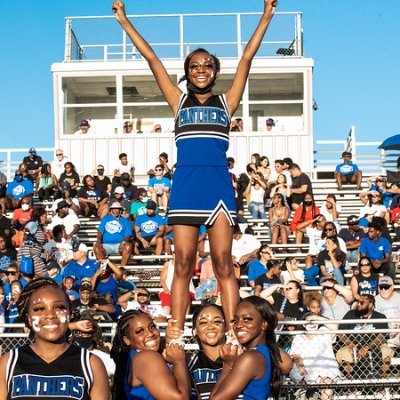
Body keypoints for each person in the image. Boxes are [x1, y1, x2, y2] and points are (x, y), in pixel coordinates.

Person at [112, 0, 278, 344]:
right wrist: (124, 21)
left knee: (223, 263)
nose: (201, 69)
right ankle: (175, 334)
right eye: (194, 65)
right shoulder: (177, 101)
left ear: (215, 71)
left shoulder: (226, 102)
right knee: (183, 262)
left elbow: (246, 57)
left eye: (208, 65)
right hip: (186, 185)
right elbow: (152, 59)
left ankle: (234, 334)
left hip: (217, 185)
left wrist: (265, 16)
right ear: (187, 72)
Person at [0, 277, 109, 400]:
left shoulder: (91, 364)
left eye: (59, 307)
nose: (50, 315)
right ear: (28, 319)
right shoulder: (8, 363)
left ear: (71, 313)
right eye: (39, 309)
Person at [209, 296, 282, 400]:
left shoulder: (251, 358)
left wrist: (228, 365)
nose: (238, 325)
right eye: (235, 320)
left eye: (247, 319)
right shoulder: (263, 352)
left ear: (264, 324)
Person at [111, 310, 191, 399]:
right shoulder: (147, 357)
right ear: (127, 340)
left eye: (152, 327)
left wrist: (167, 341)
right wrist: (179, 362)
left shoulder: (134, 357)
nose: (150, 333)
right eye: (139, 331)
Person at [337, 294, 393, 378]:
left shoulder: (380, 317)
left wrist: (367, 347)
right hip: (352, 346)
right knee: (344, 353)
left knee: (386, 351)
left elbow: (381, 337)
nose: (358, 305)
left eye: (361, 303)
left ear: (370, 304)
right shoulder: (351, 314)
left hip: (375, 346)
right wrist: (350, 344)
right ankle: (351, 384)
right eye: (357, 302)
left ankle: (382, 382)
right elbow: (341, 333)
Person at [289, 313, 340, 400]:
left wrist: (316, 317)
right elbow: (296, 355)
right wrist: (301, 366)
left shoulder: (324, 332)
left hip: (325, 370)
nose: (312, 324)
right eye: (309, 322)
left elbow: (335, 327)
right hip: (305, 370)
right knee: (303, 385)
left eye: (314, 322)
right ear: (304, 324)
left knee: (327, 384)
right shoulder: (299, 337)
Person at [93, 202, 133, 267]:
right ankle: (103, 269)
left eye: (118, 209)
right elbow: (100, 231)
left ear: (121, 210)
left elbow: (128, 234)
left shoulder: (125, 221)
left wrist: (124, 241)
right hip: (106, 245)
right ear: (111, 210)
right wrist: (98, 240)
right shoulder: (106, 218)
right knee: (96, 246)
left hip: (119, 245)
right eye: (114, 209)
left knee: (128, 246)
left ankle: (122, 268)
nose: (116, 211)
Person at [375, 276, 400, 348]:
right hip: (382, 333)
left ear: (392, 287)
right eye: (381, 287)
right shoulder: (374, 300)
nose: (383, 290)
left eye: (386, 287)